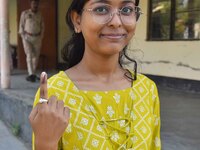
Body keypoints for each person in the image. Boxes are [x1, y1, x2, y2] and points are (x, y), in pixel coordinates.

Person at [29, 0, 161, 149]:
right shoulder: (55, 93)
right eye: (101, 9)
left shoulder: (147, 90)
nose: (116, 22)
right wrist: (46, 143)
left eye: (126, 10)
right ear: (77, 20)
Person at [19, 0, 44, 82]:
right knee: (29, 55)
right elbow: (21, 25)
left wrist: (41, 36)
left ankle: (33, 73)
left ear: (38, 5)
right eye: (33, 3)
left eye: (36, 4)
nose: (35, 5)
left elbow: (42, 26)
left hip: (37, 37)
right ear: (31, 4)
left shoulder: (40, 14)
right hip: (27, 37)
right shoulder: (25, 13)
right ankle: (31, 74)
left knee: (36, 56)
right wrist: (23, 36)